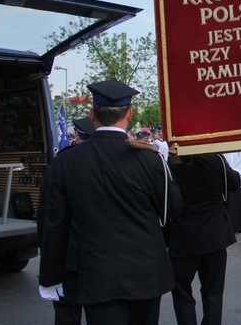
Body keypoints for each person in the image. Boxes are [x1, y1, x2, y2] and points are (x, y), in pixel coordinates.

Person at [38, 80, 182, 325]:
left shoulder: (65, 162)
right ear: (130, 114)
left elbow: (54, 225)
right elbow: (171, 210)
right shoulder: (150, 160)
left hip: (97, 272)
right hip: (146, 271)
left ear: (92, 114)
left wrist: (50, 277)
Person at [37, 116, 96, 325]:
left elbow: (47, 218)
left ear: (77, 136)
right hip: (98, 257)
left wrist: (47, 256)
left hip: (68, 255)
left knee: (66, 314)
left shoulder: (62, 163)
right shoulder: (107, 163)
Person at [169, 153, 240, 325]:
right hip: (214, 235)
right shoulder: (215, 159)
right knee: (213, 294)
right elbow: (234, 183)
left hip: (183, 235)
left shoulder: (173, 160)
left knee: (182, 294)